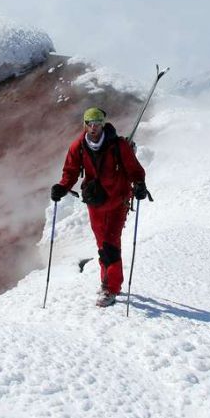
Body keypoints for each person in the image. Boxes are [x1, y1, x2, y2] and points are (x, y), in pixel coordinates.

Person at [51, 107, 148, 307]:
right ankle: (108, 281)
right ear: (84, 124)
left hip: (118, 201)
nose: (93, 128)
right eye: (90, 124)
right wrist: (62, 187)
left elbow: (134, 169)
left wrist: (139, 185)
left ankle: (110, 288)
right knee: (103, 245)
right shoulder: (78, 146)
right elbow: (70, 171)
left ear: (103, 124)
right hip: (95, 203)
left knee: (111, 244)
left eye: (97, 124)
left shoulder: (118, 145)